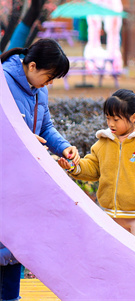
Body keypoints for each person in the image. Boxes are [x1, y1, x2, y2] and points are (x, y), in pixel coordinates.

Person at [1, 38, 77, 301]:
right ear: (32, 66)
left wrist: (64, 147)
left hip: (23, 179)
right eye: (49, 76)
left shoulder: (38, 89)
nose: (49, 83)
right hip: (4, 176)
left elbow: (45, 127)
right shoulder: (3, 82)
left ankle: (11, 297)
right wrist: (20, 138)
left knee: (16, 246)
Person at [59, 89, 135, 249]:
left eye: (116, 119)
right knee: (112, 253)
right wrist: (74, 166)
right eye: (108, 118)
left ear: (134, 117)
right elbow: (92, 167)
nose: (111, 123)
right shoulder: (104, 142)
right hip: (110, 214)